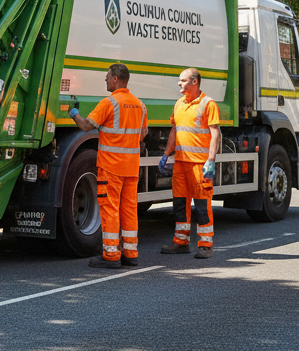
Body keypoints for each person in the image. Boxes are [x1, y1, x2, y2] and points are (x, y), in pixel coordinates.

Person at [69, 63, 146, 268]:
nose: (105, 79)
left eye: (107, 76)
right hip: (131, 167)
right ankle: (130, 253)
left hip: (111, 167)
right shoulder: (140, 105)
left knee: (110, 209)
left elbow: (86, 126)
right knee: (129, 209)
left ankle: (111, 255)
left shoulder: (109, 103)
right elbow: (143, 134)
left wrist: (74, 113)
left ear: (115, 79)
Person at [160, 67, 220, 258]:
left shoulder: (208, 104)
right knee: (179, 203)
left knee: (202, 205)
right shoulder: (178, 104)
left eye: (183, 80)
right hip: (180, 163)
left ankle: (205, 246)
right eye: (179, 80)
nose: (179, 83)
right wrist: (166, 154)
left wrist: (211, 160)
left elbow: (215, 133)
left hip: (199, 165)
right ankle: (181, 242)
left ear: (195, 82)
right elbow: (174, 132)